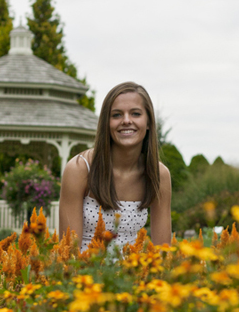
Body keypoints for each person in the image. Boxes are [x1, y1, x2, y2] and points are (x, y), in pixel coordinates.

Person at [58, 81, 172, 252]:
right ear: (106, 123)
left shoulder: (159, 174)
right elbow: (68, 254)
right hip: (86, 273)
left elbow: (163, 253)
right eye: (117, 115)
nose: (126, 121)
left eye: (135, 113)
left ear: (148, 122)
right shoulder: (79, 169)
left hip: (130, 275)